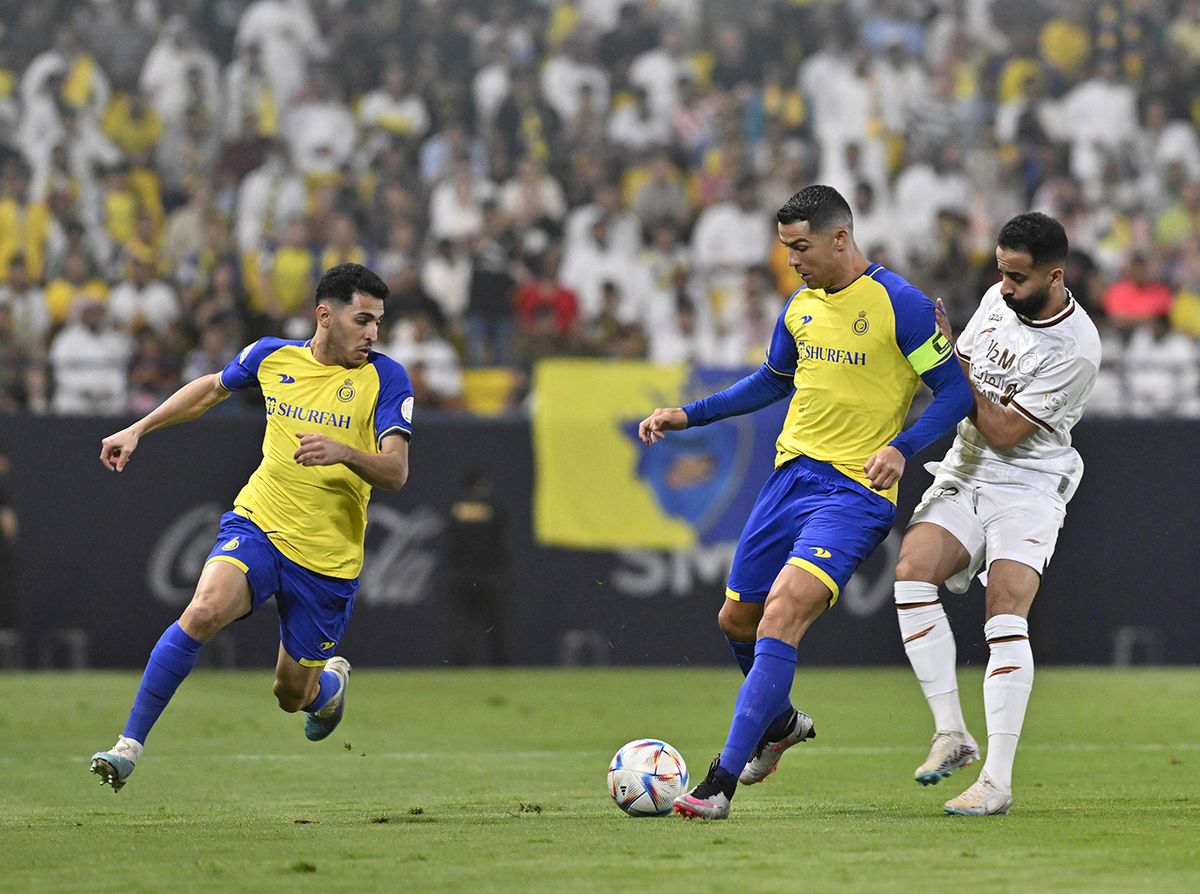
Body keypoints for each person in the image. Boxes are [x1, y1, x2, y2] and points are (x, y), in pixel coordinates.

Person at [638, 185, 973, 820]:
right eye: (785, 247)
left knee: (781, 615)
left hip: (856, 491)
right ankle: (781, 721)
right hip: (789, 479)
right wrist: (689, 414)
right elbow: (772, 379)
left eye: (801, 247)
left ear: (840, 238)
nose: (791, 259)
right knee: (735, 621)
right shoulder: (799, 305)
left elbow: (953, 394)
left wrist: (902, 447)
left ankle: (718, 785)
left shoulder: (900, 304)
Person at [90, 263, 414, 793]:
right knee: (203, 609)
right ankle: (128, 746)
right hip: (259, 523)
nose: (373, 333)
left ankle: (325, 689)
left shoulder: (386, 377)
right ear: (325, 316)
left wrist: (345, 452)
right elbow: (211, 390)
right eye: (363, 320)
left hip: (327, 562)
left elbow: (396, 472)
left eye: (378, 322)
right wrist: (139, 427)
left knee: (290, 695)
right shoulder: (272, 356)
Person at [892, 212, 1101, 816]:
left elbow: (1007, 429)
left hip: (1030, 482)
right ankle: (952, 732)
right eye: (1000, 273)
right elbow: (955, 378)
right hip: (966, 467)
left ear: (1055, 275)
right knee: (911, 572)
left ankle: (997, 783)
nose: (1004, 288)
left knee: (1005, 608)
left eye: (1017, 278)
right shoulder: (995, 298)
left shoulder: (1077, 347)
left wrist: (946, 361)